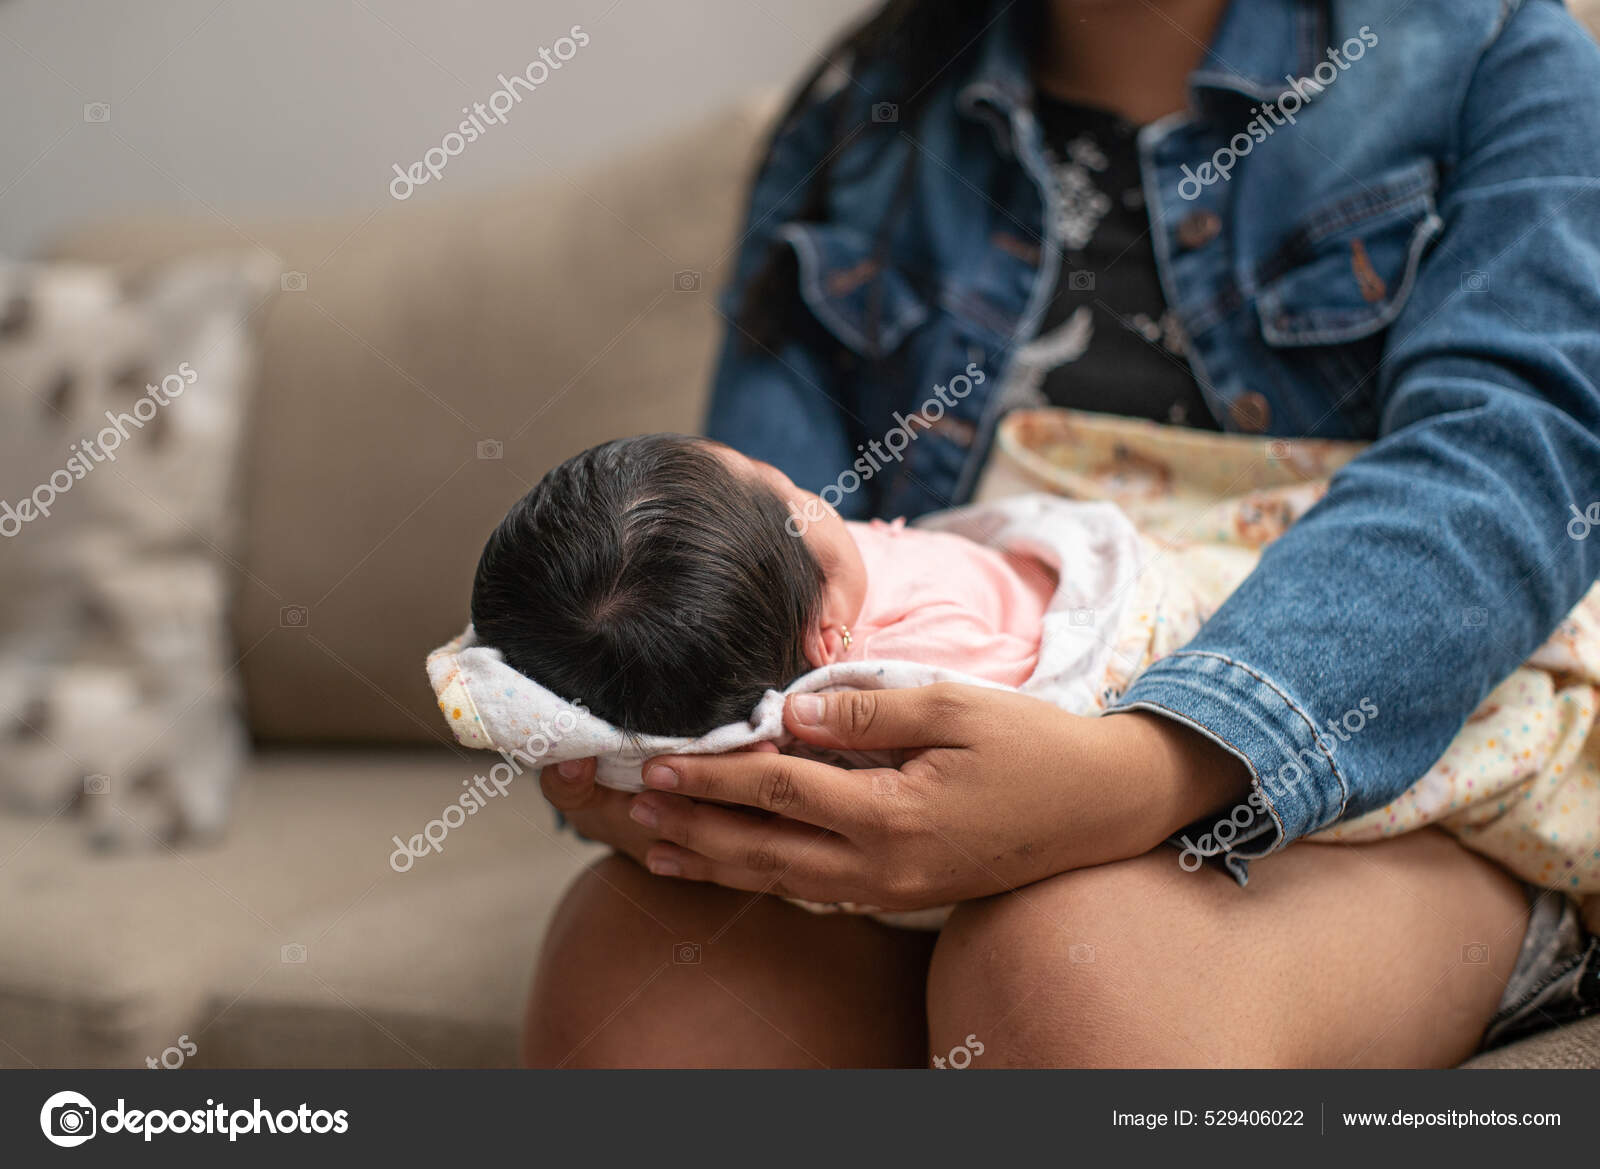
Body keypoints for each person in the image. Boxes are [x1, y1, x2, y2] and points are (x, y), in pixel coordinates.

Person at [523, 0, 1600, 1066]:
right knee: (637, 975)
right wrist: (689, 776)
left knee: (1069, 972)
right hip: (942, 784)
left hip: (1382, 777)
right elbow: (757, 544)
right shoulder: (863, 112)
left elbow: (1512, 457)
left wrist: (1149, 767)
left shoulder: (1489, 52)